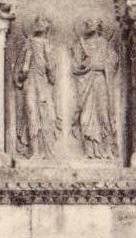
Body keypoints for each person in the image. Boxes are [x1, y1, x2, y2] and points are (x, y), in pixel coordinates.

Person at [12, 12, 60, 161]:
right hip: (30, 84)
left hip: (43, 84)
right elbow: (18, 75)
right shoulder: (28, 44)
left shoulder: (49, 46)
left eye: (44, 20)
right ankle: (35, 152)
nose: (40, 23)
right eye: (38, 21)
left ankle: (49, 153)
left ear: (48, 26)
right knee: (32, 115)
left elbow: (52, 77)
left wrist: (47, 56)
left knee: (48, 116)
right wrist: (25, 65)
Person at [71, 16, 117, 160]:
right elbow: (75, 65)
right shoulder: (80, 44)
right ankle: (89, 151)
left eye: (92, 21)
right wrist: (84, 65)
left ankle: (106, 150)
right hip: (86, 82)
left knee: (103, 114)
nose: (88, 23)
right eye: (87, 22)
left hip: (100, 81)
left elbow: (113, 62)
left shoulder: (105, 44)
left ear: (99, 26)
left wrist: (102, 65)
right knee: (85, 117)